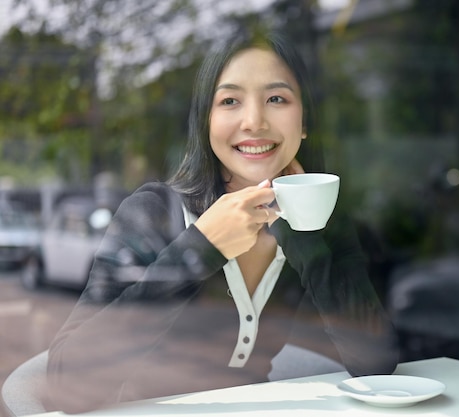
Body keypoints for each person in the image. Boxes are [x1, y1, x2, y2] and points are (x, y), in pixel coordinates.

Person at [45, 28, 398, 413]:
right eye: (230, 100)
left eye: (276, 98)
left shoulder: (320, 223)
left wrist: (304, 233)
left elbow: (375, 365)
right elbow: (67, 375)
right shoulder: (154, 213)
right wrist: (202, 247)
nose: (254, 121)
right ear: (205, 122)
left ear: (305, 120)